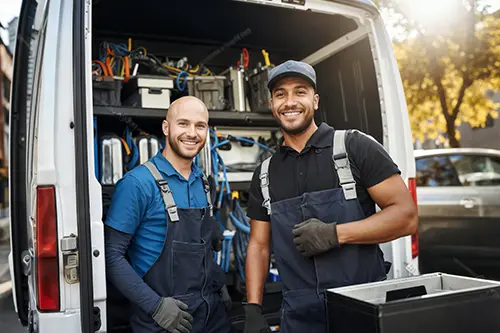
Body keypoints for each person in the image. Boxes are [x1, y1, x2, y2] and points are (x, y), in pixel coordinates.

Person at [242, 60, 418, 333]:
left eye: (299, 92)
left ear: (315, 101)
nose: (290, 102)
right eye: (280, 94)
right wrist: (253, 308)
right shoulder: (265, 173)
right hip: (300, 319)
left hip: (361, 311)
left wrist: (336, 234)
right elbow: (258, 246)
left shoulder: (354, 147)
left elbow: (406, 217)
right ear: (272, 104)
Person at [104, 96, 232, 333]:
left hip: (211, 316)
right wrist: (156, 307)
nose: (192, 133)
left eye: (200, 125)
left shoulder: (202, 182)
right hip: (163, 322)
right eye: (183, 124)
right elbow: (111, 257)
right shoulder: (138, 184)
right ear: (166, 127)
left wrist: (219, 286)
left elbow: (203, 248)